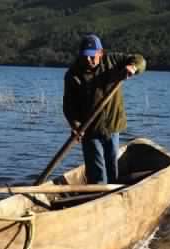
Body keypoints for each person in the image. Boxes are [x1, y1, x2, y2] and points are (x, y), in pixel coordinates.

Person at [63, 34, 146, 184]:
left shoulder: (113, 61)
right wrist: (75, 125)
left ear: (100, 53)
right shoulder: (73, 74)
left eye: (91, 56)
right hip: (89, 130)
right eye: (84, 56)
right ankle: (98, 196)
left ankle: (113, 192)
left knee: (112, 166)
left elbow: (140, 60)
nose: (88, 60)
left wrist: (133, 67)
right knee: (97, 171)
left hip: (112, 125)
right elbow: (69, 106)